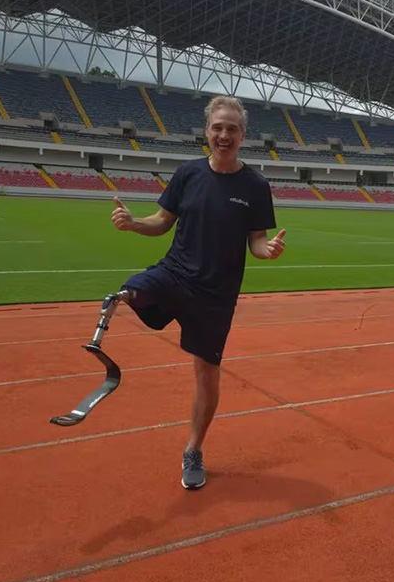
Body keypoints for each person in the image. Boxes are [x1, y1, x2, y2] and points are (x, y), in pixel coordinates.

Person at [109, 95, 286, 490]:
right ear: (207, 131)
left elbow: (256, 241)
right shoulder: (187, 173)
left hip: (216, 296)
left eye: (232, 129)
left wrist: (268, 250)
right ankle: (110, 316)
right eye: (218, 127)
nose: (224, 135)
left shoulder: (255, 186)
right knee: (131, 290)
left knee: (206, 373)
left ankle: (193, 449)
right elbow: (161, 221)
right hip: (174, 274)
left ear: (243, 135)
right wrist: (133, 223)